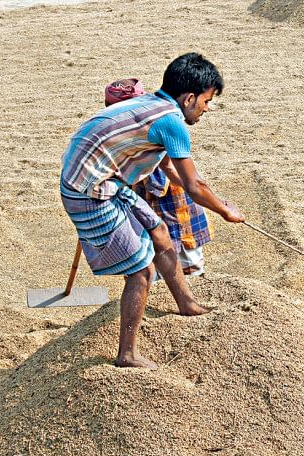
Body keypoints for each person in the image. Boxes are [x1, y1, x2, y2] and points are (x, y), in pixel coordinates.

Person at [60, 53, 244, 369]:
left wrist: (217, 201)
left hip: (105, 178)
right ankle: (127, 354)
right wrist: (225, 211)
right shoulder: (171, 122)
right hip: (87, 190)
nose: (206, 109)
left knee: (160, 233)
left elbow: (171, 170)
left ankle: (186, 303)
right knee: (142, 271)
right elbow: (194, 185)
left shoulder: (153, 105)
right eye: (206, 101)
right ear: (189, 98)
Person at [104, 79, 214, 278]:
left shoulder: (156, 125)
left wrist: (199, 192)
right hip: (140, 204)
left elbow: (166, 172)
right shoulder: (112, 132)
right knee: (149, 265)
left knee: (188, 265)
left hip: (174, 203)